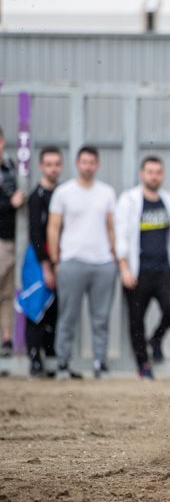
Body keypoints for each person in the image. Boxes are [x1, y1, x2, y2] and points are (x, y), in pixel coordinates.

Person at [47, 146, 118, 380]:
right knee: (68, 315)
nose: (88, 166)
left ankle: (100, 363)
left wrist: (115, 257)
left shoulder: (107, 192)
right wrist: (56, 259)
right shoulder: (63, 192)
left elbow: (111, 227)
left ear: (97, 165)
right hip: (72, 261)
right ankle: (63, 364)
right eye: (84, 161)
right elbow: (54, 227)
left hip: (102, 263)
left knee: (101, 318)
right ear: (77, 164)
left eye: (92, 162)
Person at [115, 156, 170, 379]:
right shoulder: (129, 200)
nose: (154, 176)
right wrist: (124, 267)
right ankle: (143, 364)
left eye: (158, 172)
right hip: (137, 270)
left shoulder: (169, 200)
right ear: (141, 174)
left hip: (163, 269)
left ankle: (157, 338)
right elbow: (121, 235)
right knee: (136, 319)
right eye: (150, 172)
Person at [25, 147, 63, 377]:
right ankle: (34, 359)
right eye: (48, 164)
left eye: (57, 163)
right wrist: (46, 265)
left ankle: (49, 359)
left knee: (54, 310)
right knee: (36, 308)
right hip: (39, 260)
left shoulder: (62, 194)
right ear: (41, 166)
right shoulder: (36, 196)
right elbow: (36, 235)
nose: (53, 168)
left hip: (59, 258)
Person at [0, 128, 25, 356]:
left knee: (7, 293)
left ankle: (6, 339)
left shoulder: (8, 168)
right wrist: (10, 203)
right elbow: (10, 202)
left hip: (8, 239)